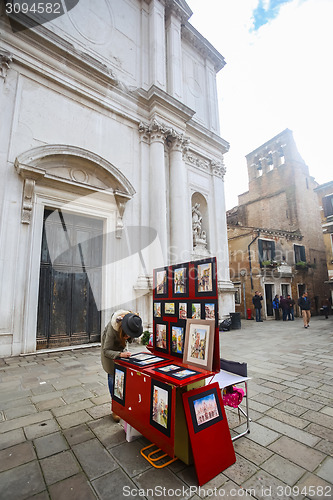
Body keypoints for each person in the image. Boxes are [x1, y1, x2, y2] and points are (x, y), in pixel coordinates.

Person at [101, 309, 143, 422]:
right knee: (112, 376)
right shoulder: (113, 327)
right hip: (110, 353)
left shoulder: (131, 322)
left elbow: (128, 340)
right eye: (129, 334)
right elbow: (106, 350)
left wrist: (129, 340)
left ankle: (122, 402)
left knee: (122, 377)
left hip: (121, 350)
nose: (129, 336)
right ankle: (115, 407)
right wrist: (120, 354)